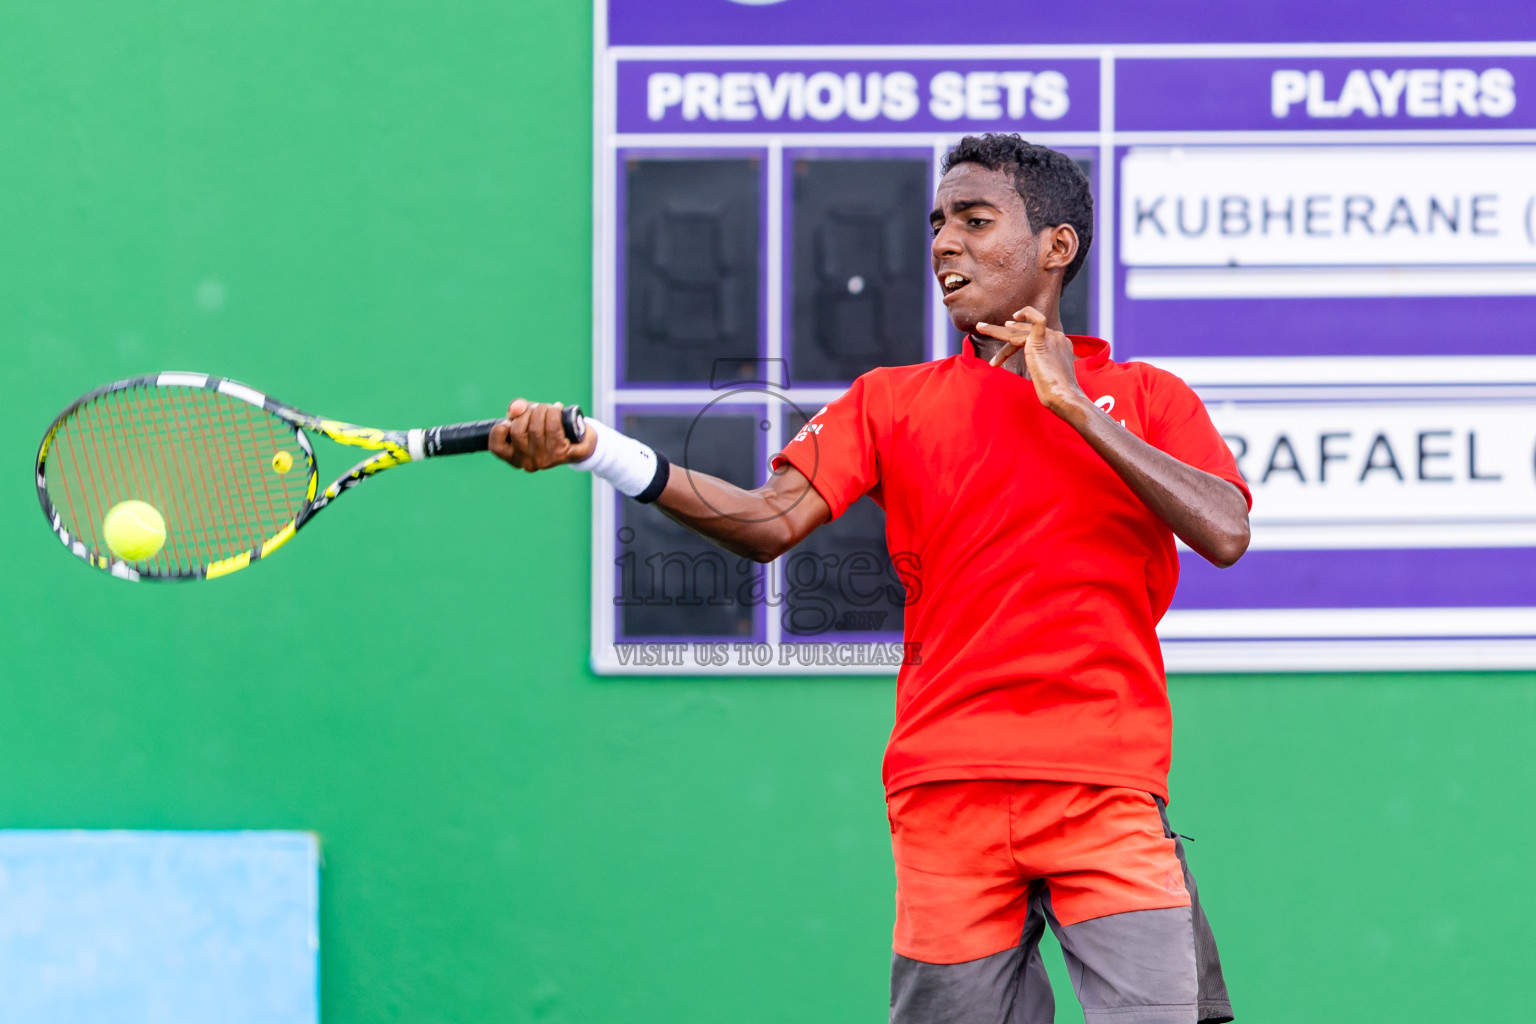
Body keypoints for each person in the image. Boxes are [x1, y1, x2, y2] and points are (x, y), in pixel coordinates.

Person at [491, 133, 1250, 1024]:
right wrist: (601, 451)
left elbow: (1225, 530)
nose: (944, 243)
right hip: (944, 795)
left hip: (1104, 790)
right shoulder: (890, 401)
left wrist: (1073, 405)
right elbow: (766, 522)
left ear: (1056, 246)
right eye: (937, 223)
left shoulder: (1148, 397)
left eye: (974, 220)